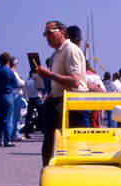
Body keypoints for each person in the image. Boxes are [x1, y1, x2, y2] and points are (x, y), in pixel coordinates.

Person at [36, 20, 89, 166]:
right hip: (61, 103)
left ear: (62, 32)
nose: (47, 36)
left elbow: (75, 81)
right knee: (51, 144)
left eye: (49, 33)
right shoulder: (59, 52)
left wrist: (50, 75)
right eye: (45, 34)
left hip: (75, 107)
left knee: (75, 149)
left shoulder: (70, 50)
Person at [0, 52, 18, 147]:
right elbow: (15, 84)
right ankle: (7, 141)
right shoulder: (10, 72)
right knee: (7, 119)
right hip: (8, 96)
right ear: (8, 61)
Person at [9, 56, 25, 141]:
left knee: (11, 116)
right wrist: (22, 83)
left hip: (12, 95)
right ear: (15, 64)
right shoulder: (14, 73)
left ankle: (12, 133)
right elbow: (19, 83)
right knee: (16, 116)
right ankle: (15, 134)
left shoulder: (10, 72)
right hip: (16, 95)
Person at [23, 70, 43, 138]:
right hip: (37, 98)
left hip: (30, 99)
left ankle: (26, 132)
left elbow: (25, 92)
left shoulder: (26, 82)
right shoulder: (37, 81)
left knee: (28, 117)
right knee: (41, 115)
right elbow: (41, 90)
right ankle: (42, 129)